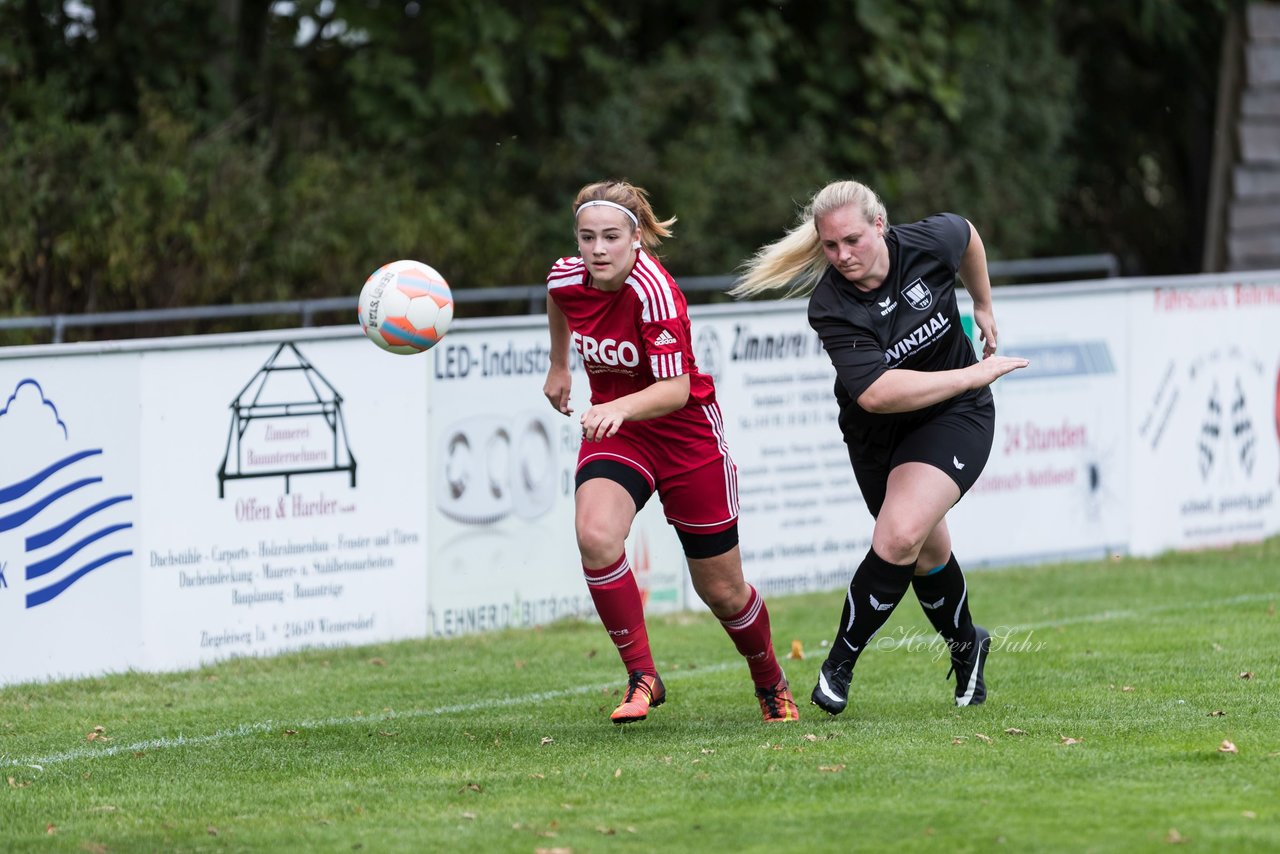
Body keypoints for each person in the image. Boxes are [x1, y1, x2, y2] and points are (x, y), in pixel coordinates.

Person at [730, 180, 1029, 714]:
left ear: (880, 225)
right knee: (924, 553)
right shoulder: (830, 305)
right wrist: (972, 374)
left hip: (954, 417)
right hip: (879, 430)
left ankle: (838, 666)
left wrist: (983, 304)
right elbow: (876, 394)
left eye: (852, 241)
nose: (842, 256)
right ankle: (969, 646)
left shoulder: (930, 243)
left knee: (898, 536)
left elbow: (968, 237)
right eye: (829, 245)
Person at [542, 179, 799, 724]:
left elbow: (676, 390)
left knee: (723, 592)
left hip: (686, 438)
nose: (598, 249)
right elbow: (558, 300)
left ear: (636, 239)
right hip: (624, 433)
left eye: (611, 237)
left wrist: (619, 407)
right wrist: (559, 364)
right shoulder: (568, 276)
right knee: (595, 534)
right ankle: (643, 676)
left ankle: (770, 681)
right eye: (587, 238)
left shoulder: (654, 291)